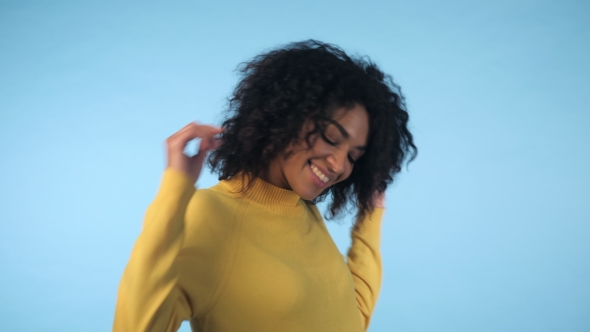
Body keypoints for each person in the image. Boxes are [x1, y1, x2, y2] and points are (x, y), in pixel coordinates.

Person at [113, 40, 417, 332]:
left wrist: (370, 218)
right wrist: (175, 190)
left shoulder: (302, 212)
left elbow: (352, 319)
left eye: (353, 156)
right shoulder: (211, 215)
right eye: (331, 138)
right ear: (289, 115)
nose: (339, 165)